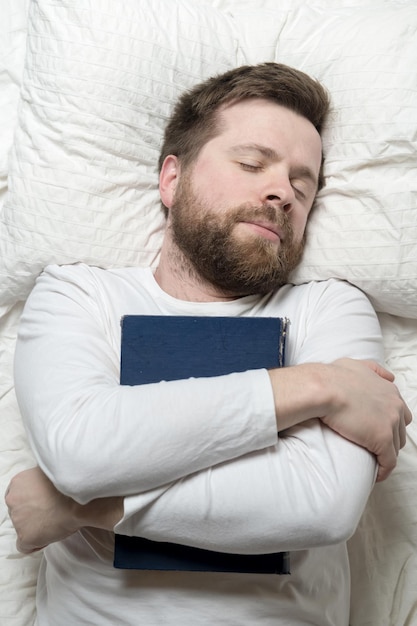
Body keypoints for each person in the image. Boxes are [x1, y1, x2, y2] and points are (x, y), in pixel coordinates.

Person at [5, 63, 411, 626]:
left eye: (303, 184)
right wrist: (318, 384)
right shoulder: (78, 294)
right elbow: (81, 448)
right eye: (252, 164)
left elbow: (322, 503)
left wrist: (84, 506)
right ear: (172, 179)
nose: (282, 193)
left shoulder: (329, 309)